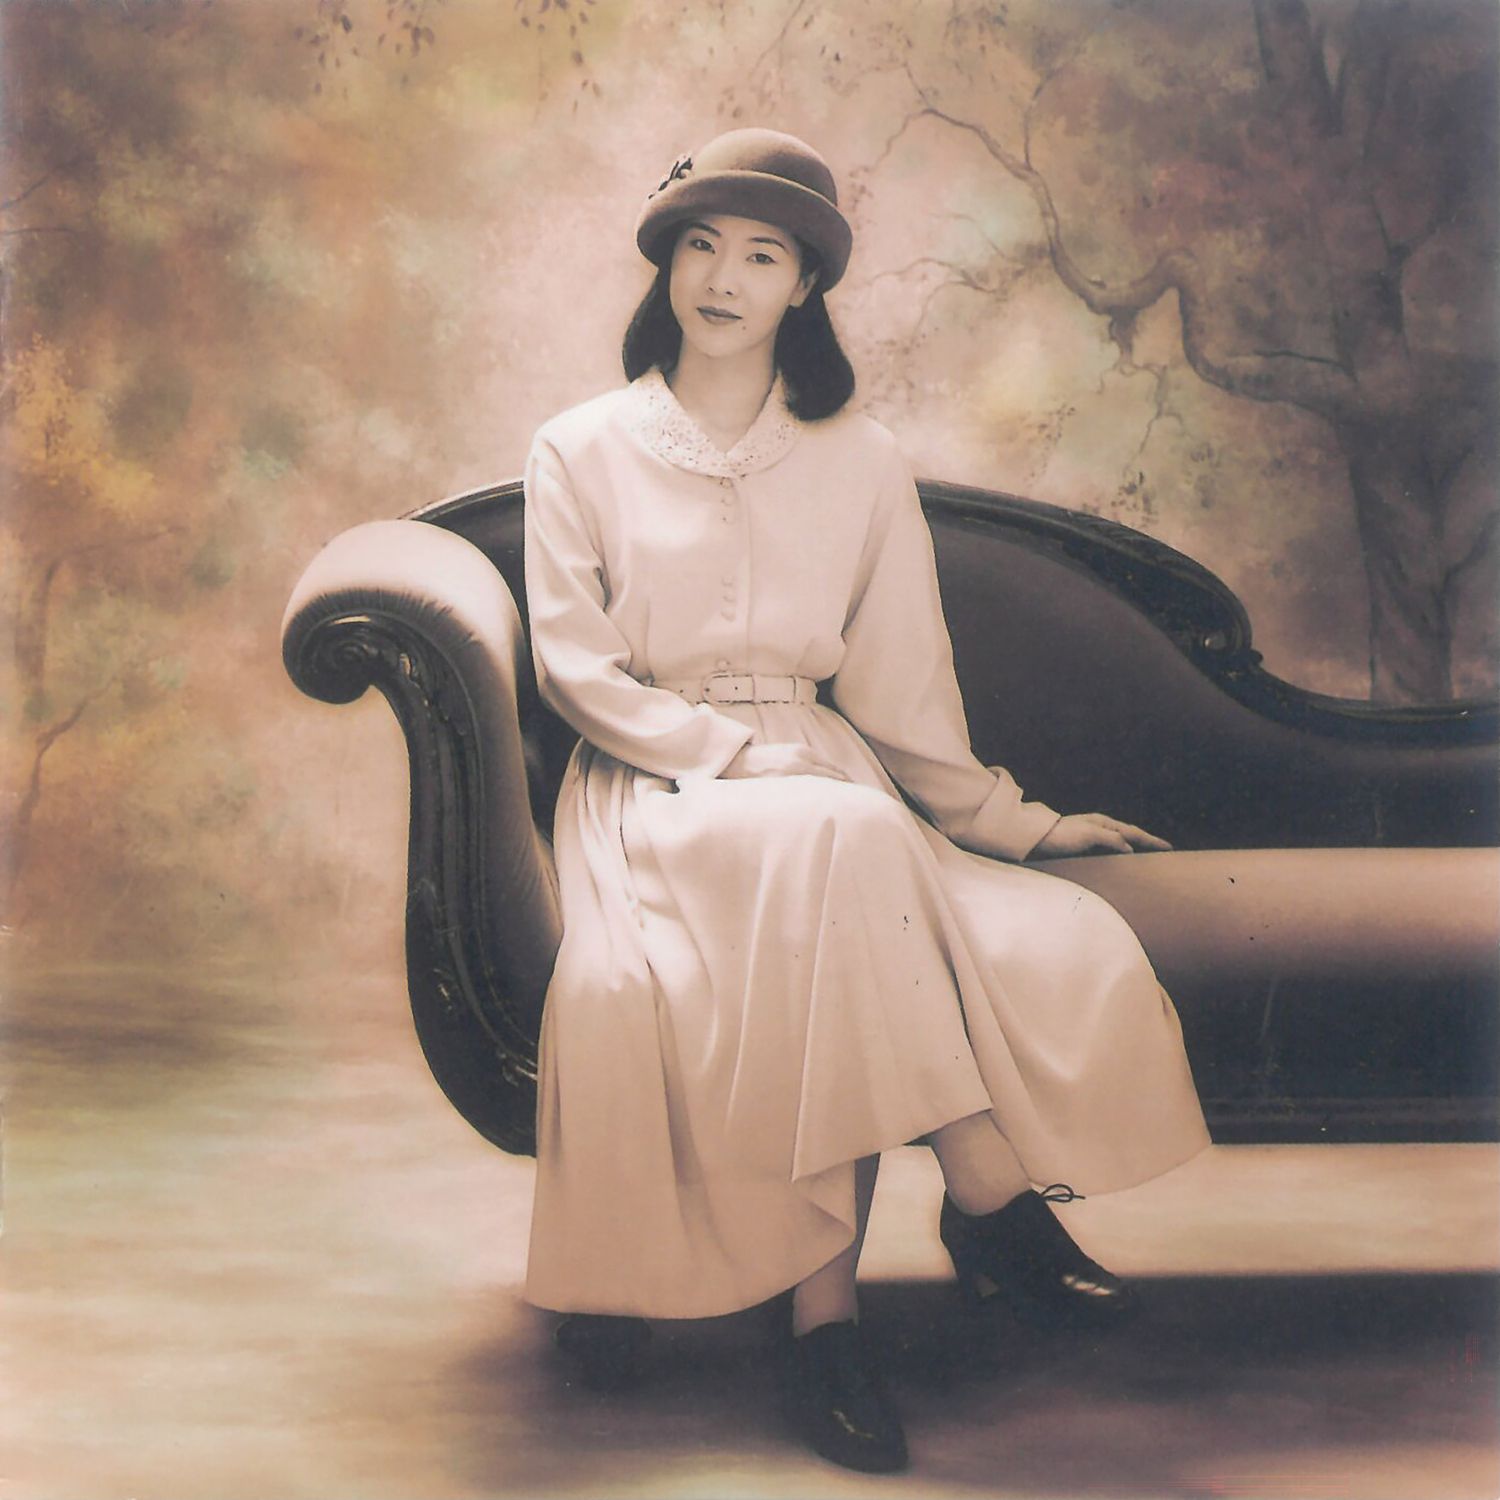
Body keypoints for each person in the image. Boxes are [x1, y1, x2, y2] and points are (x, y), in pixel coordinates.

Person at [521, 127, 1211, 1474]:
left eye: (761, 255)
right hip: (656, 786)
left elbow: (902, 682)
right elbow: (575, 668)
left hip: (825, 775)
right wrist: (729, 757)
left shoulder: (859, 458)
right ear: (667, 265)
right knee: (842, 830)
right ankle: (988, 1191)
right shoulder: (579, 448)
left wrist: (1014, 824)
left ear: (804, 287)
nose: (724, 277)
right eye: (701, 246)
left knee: (844, 844)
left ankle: (826, 1323)